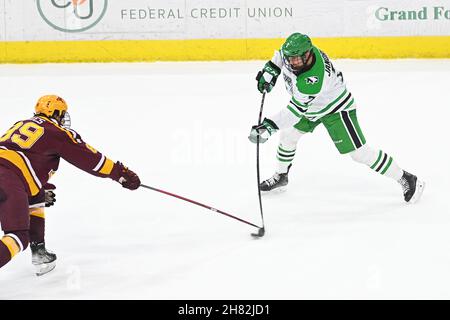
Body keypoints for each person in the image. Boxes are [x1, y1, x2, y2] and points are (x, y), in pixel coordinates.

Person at [248, 33, 424, 203]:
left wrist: (268, 126)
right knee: (288, 137)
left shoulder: (313, 79)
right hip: (311, 108)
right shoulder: (296, 52)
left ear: (308, 54)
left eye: (296, 58)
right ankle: (281, 175)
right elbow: (279, 55)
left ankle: (406, 178)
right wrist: (270, 72)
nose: (292, 62)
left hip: (336, 109)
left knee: (359, 154)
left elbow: (294, 112)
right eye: (290, 58)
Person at [0, 95, 141, 276]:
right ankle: (35, 247)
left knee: (37, 195)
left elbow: (20, 158)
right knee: (17, 236)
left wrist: (36, 186)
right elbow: (92, 160)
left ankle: (39, 251)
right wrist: (120, 173)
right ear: (56, 114)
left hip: (10, 176)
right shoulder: (57, 132)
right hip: (9, 178)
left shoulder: (20, 124)